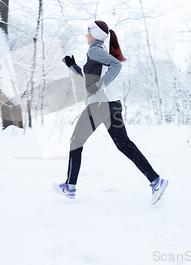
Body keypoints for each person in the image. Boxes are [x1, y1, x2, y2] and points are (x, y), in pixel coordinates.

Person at [52, 20, 168, 205]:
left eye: (87, 32)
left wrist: (100, 85)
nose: (85, 35)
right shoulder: (98, 51)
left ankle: (70, 187)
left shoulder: (94, 50)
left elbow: (116, 67)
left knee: (76, 142)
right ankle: (156, 181)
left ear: (94, 34)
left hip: (99, 105)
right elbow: (89, 79)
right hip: (111, 104)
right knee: (124, 145)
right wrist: (73, 67)